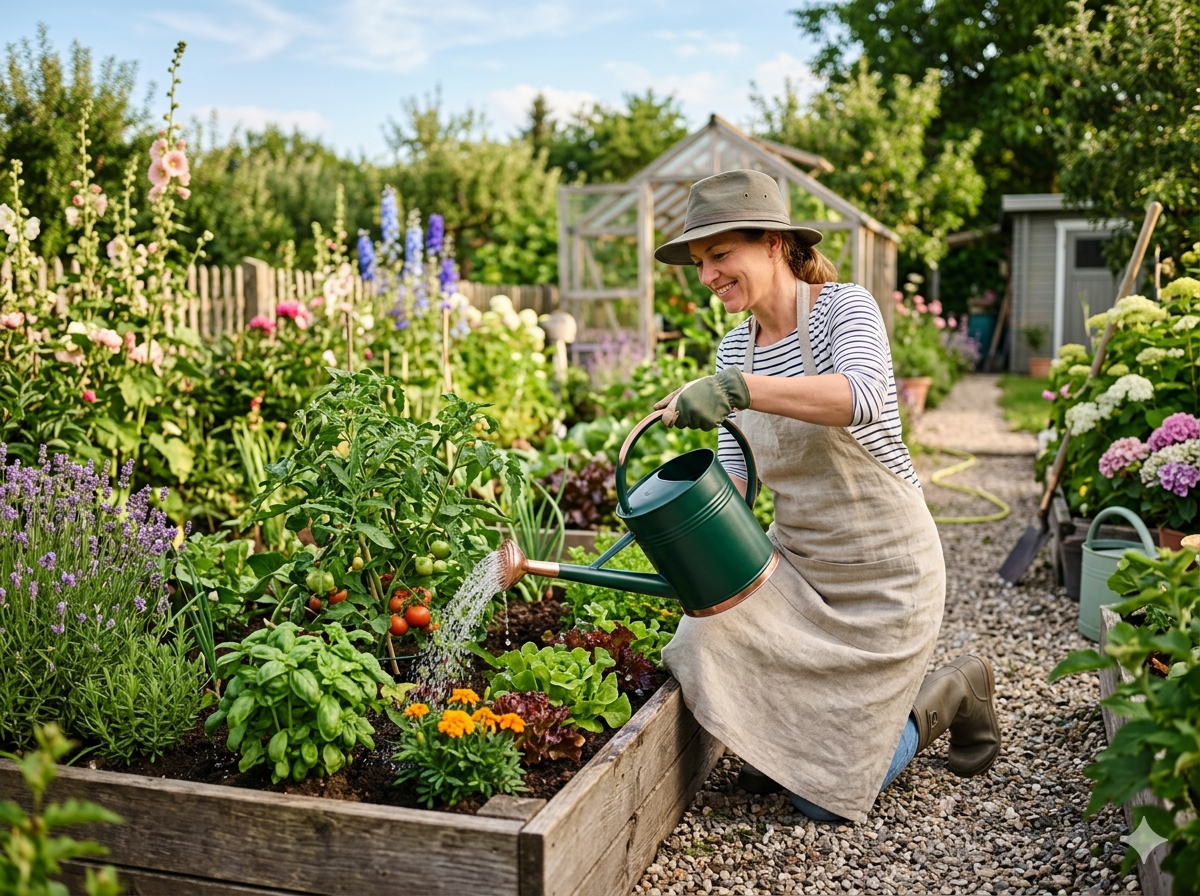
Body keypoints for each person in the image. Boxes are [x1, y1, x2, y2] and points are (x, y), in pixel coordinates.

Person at [653, 169, 1001, 823]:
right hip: (803, 570)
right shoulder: (734, 347)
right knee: (701, 642)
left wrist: (740, 390)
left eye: (720, 255)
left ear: (775, 244)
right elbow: (736, 481)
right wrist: (681, 539)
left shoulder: (844, 307)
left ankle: (951, 692)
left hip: (888, 576)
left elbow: (863, 397)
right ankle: (795, 747)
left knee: (821, 802)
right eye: (699, 263)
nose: (707, 277)